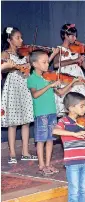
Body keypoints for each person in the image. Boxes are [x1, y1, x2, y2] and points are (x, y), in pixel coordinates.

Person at [27, 50, 80, 175]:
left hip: (52, 112)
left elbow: (61, 93)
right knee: (41, 140)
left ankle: (48, 164)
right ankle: (41, 165)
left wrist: (71, 82)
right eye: (44, 62)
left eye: (47, 62)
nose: (47, 65)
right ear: (34, 64)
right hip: (41, 114)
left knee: (50, 139)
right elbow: (35, 94)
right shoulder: (32, 78)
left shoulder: (48, 78)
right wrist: (49, 86)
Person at [1, 26, 37, 164]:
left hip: (25, 86)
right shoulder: (5, 54)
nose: (21, 40)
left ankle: (25, 152)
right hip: (13, 87)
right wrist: (12, 66)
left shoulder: (25, 54)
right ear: (9, 40)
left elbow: (29, 71)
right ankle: (12, 154)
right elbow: (3, 70)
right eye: (18, 38)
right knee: (13, 123)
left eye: (21, 37)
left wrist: (29, 67)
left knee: (26, 121)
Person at [53, 23, 85, 116]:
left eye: (75, 36)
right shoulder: (59, 49)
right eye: (72, 36)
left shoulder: (76, 49)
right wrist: (75, 60)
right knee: (68, 108)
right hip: (65, 79)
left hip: (77, 79)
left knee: (79, 107)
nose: (75, 38)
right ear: (65, 36)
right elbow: (56, 64)